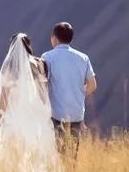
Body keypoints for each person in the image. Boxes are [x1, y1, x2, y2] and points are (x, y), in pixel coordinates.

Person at [0, 32, 67, 172]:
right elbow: (43, 96)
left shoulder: (9, 68)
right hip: (33, 119)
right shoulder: (38, 64)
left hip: (14, 121)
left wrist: (6, 114)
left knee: (12, 158)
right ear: (29, 46)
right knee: (33, 157)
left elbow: (3, 101)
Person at [41, 22, 97, 160]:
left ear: (54, 38)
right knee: (71, 156)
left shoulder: (47, 57)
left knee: (56, 158)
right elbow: (92, 85)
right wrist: (79, 93)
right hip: (76, 114)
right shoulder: (83, 58)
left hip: (56, 115)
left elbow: (42, 84)